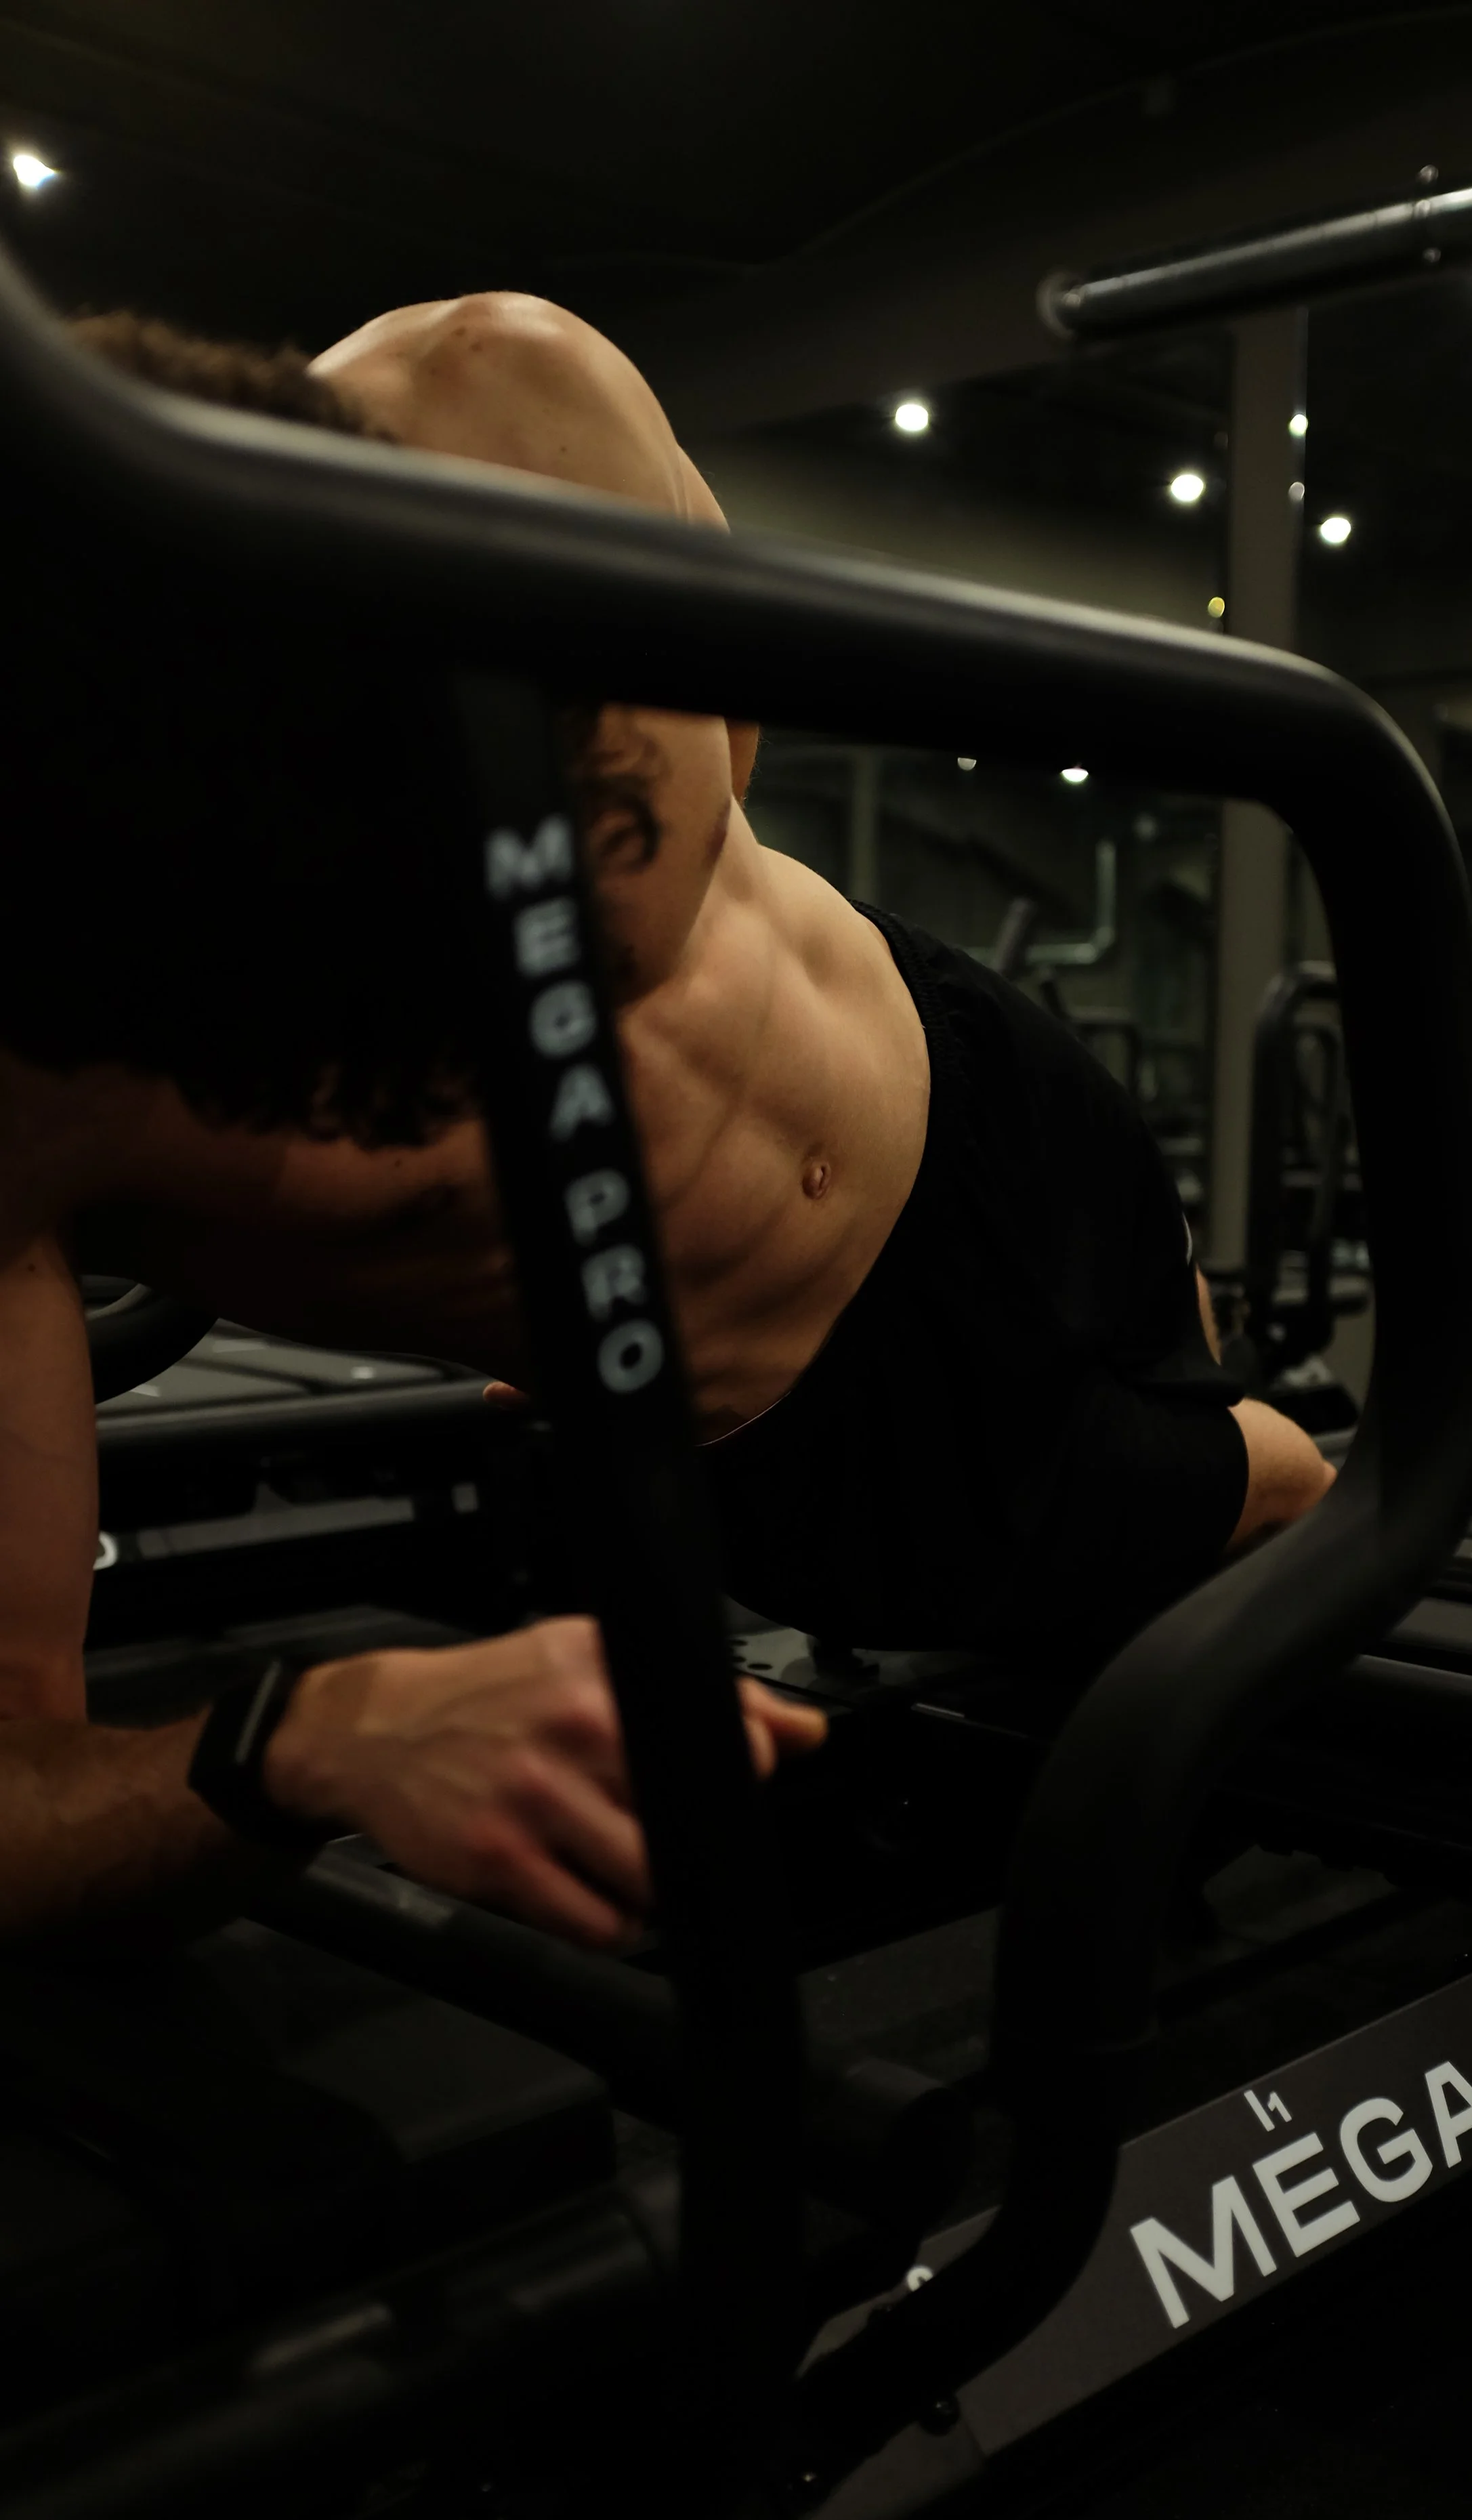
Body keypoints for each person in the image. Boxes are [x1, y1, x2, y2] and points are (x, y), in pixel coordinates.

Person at [0, 297, 1332, 1952]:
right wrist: (306, 1734)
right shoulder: (27, 1117)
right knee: (1279, 1491)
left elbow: (723, 775)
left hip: (982, 1071)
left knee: (1185, 1379)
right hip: (826, 1418)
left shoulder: (507, 396)